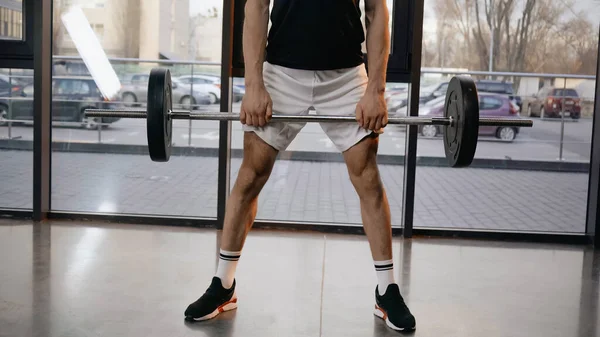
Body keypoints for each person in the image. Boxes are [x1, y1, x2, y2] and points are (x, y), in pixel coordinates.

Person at [184, 0, 416, 331]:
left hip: (346, 75)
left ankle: (387, 291)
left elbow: (377, 10)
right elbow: (257, 6)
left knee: (368, 177)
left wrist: (376, 91)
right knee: (250, 175)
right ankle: (223, 285)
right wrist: (254, 86)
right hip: (281, 72)